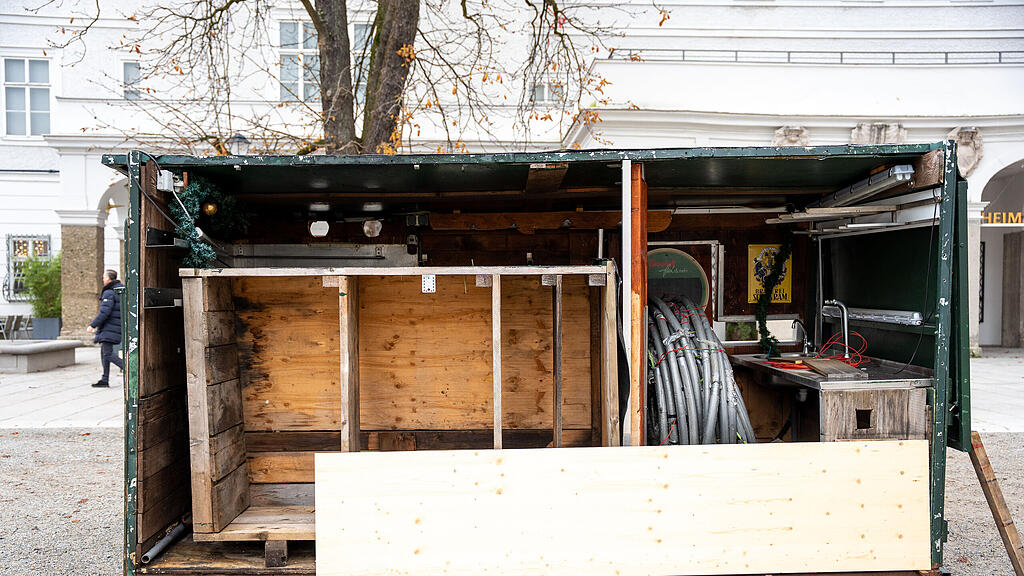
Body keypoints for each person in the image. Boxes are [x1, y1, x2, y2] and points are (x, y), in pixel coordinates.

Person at [87, 269, 124, 388]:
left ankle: (128, 369)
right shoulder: (120, 289)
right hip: (115, 326)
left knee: (107, 354)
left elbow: (104, 311)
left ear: (108, 279)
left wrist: (93, 325)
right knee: (104, 353)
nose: (103, 279)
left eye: (104, 277)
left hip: (109, 327)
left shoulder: (109, 292)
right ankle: (105, 379)